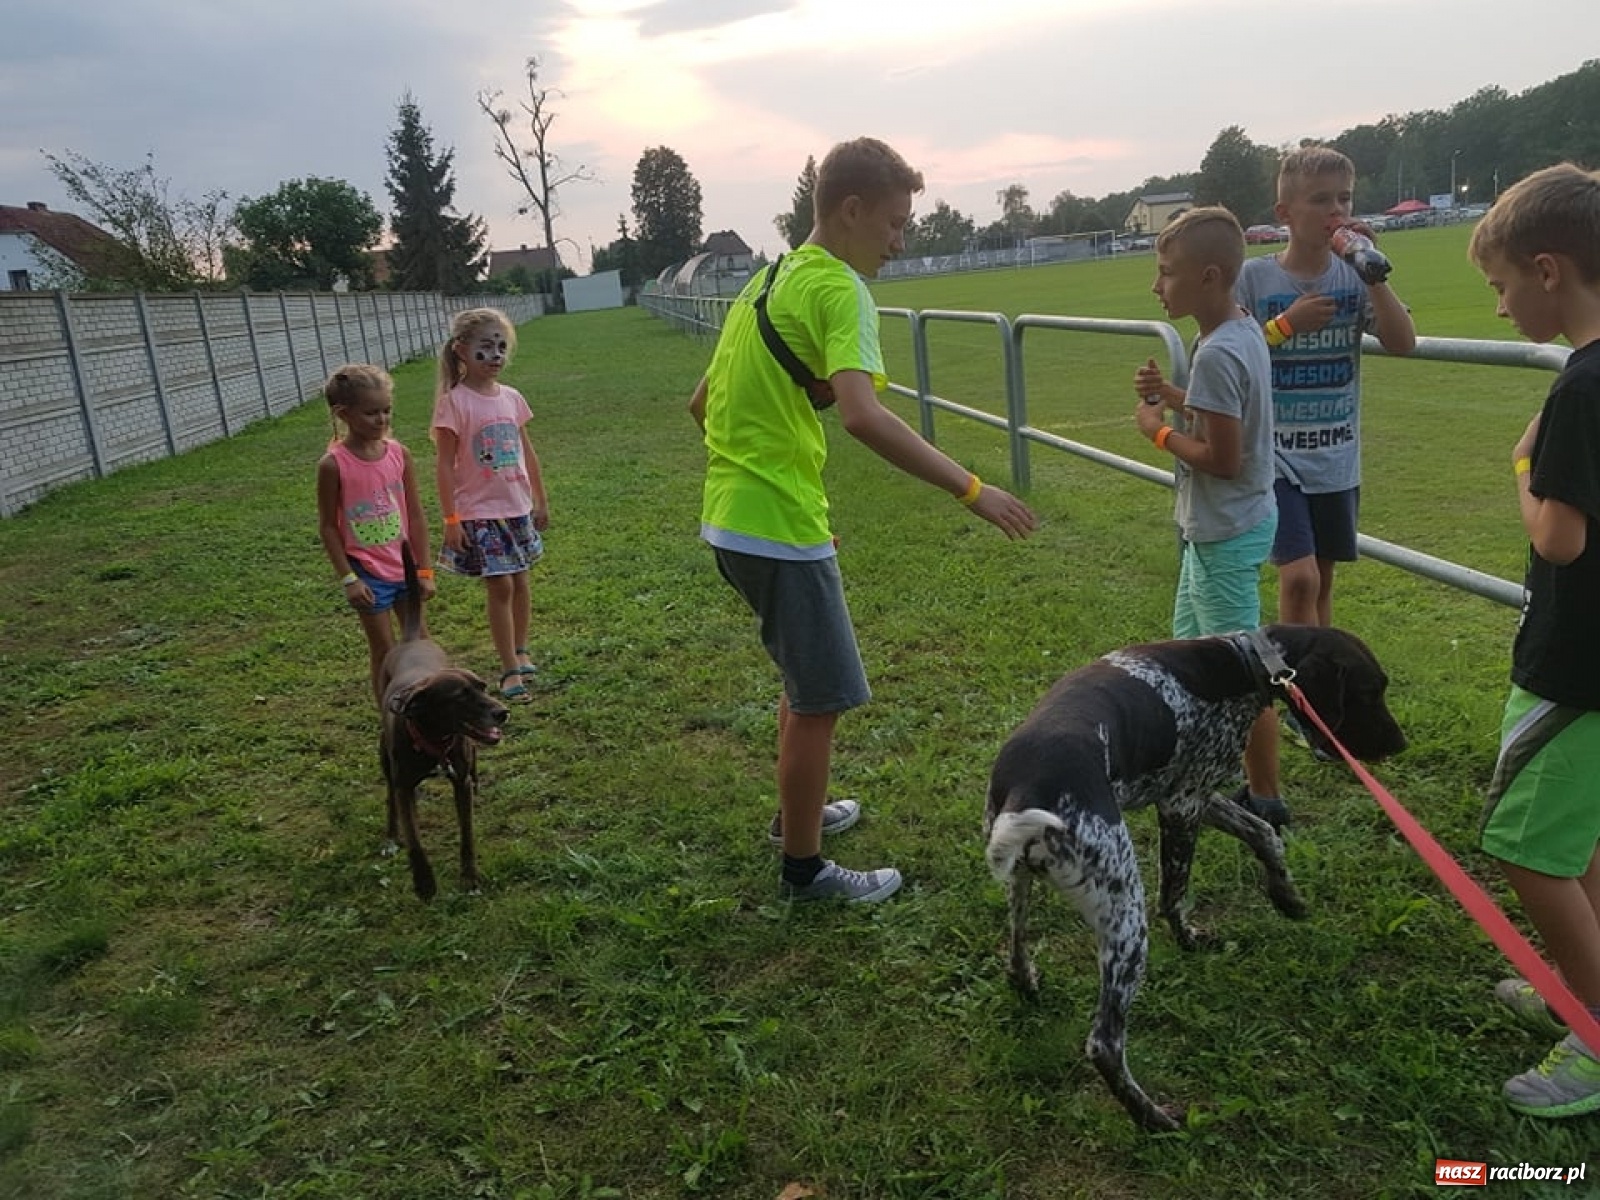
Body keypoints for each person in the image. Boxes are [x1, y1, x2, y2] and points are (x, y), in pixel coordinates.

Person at [688, 136, 1037, 903]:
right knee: (823, 696)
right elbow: (862, 415)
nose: (901, 240)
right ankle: (805, 872)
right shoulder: (840, 290)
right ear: (851, 210)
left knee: (801, 680)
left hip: (733, 519)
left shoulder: (765, 281)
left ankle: (796, 818)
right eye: (894, 222)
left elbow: (701, 405)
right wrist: (974, 490)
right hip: (773, 522)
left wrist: (780, 502)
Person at [1469, 161, 1600, 1119]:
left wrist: (1520, 465)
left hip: (1574, 668)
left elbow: (1557, 533)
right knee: (1584, 842)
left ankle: (1595, 1034)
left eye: (1504, 284)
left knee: (1527, 845)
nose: (1503, 304)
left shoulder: (1584, 387)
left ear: (1549, 270)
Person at [1234, 145, 1417, 825]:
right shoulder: (1257, 277)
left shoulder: (1352, 277)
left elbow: (1403, 342)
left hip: (1336, 459)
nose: (1337, 211)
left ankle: (1324, 698)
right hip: (1274, 458)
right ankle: (1302, 705)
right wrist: (1285, 327)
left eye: (1345, 198)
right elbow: (1230, 349)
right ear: (1285, 212)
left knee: (1326, 585)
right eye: (1321, 200)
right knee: (1300, 580)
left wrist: (1374, 279)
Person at [1132, 206, 1279, 816]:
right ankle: (1193, 771)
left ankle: (1265, 797)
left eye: (1167, 273)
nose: (1157, 285)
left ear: (1211, 277)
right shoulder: (1237, 330)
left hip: (1225, 530)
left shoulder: (1219, 350)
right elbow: (1225, 412)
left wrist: (1155, 432)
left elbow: (1222, 457)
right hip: (1224, 525)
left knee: (1241, 671)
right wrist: (1172, 396)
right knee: (1190, 651)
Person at [432, 307, 549, 703]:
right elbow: (445, 466)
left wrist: (540, 498)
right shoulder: (454, 402)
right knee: (499, 584)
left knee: (519, 581)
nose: (496, 355)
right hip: (479, 513)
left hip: (516, 508)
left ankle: (521, 648)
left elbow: (527, 453)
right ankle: (509, 670)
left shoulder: (512, 398)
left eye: (501, 347)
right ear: (461, 350)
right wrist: (451, 518)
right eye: (486, 347)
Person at [315, 363, 435, 706]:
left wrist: (424, 571)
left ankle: (428, 710)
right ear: (343, 414)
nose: (382, 420)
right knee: (383, 650)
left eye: (386, 410)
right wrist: (349, 579)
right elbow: (327, 526)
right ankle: (391, 715)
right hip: (368, 573)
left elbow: (414, 514)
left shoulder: (399, 453)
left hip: (405, 567)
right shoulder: (333, 465)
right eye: (371, 413)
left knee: (420, 644)